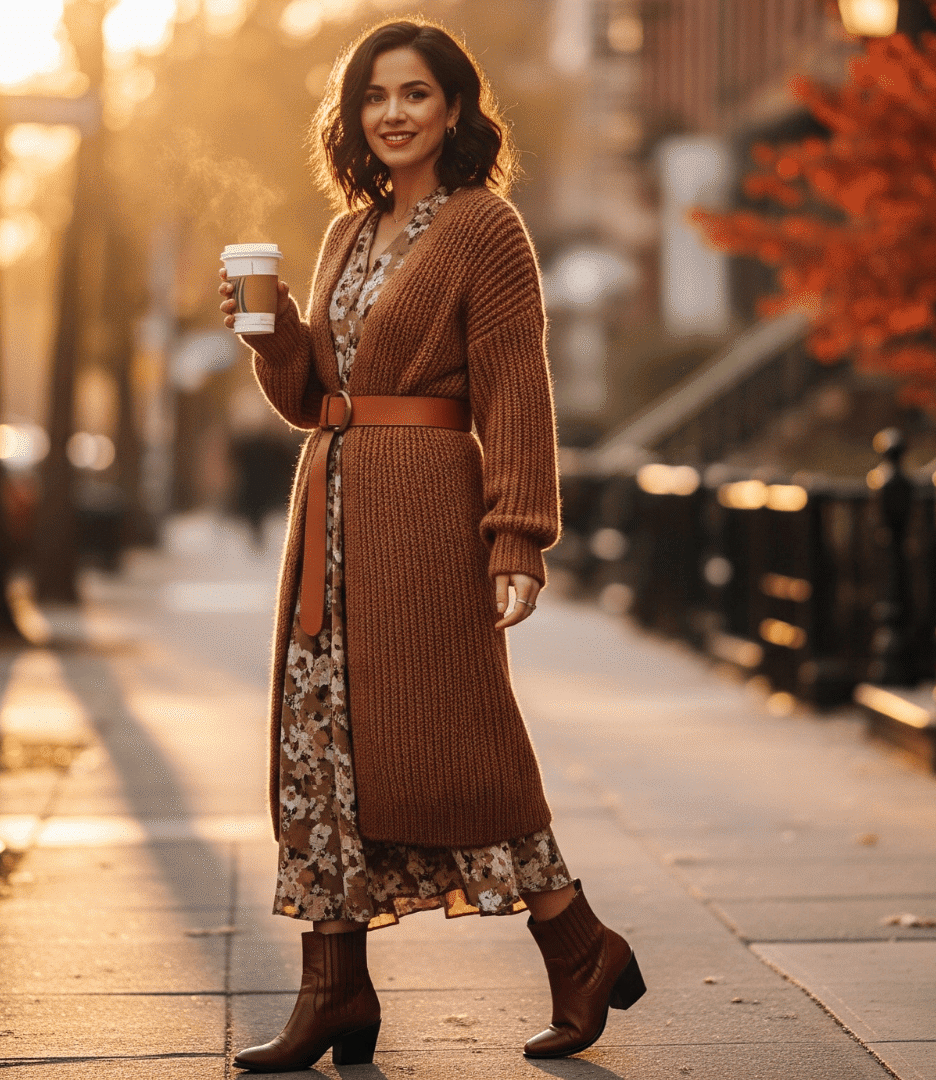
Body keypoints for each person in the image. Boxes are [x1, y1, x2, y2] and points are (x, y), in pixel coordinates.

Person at [217, 18, 644, 1072]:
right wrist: (269, 335)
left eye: (414, 94)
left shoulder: (486, 229)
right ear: (353, 116)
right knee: (320, 746)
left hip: (426, 519)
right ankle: (334, 990)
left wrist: (518, 536)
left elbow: (514, 388)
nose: (393, 114)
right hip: (330, 511)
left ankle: (578, 942)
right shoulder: (344, 236)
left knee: (460, 741)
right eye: (374, 97)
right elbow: (313, 396)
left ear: (454, 110)